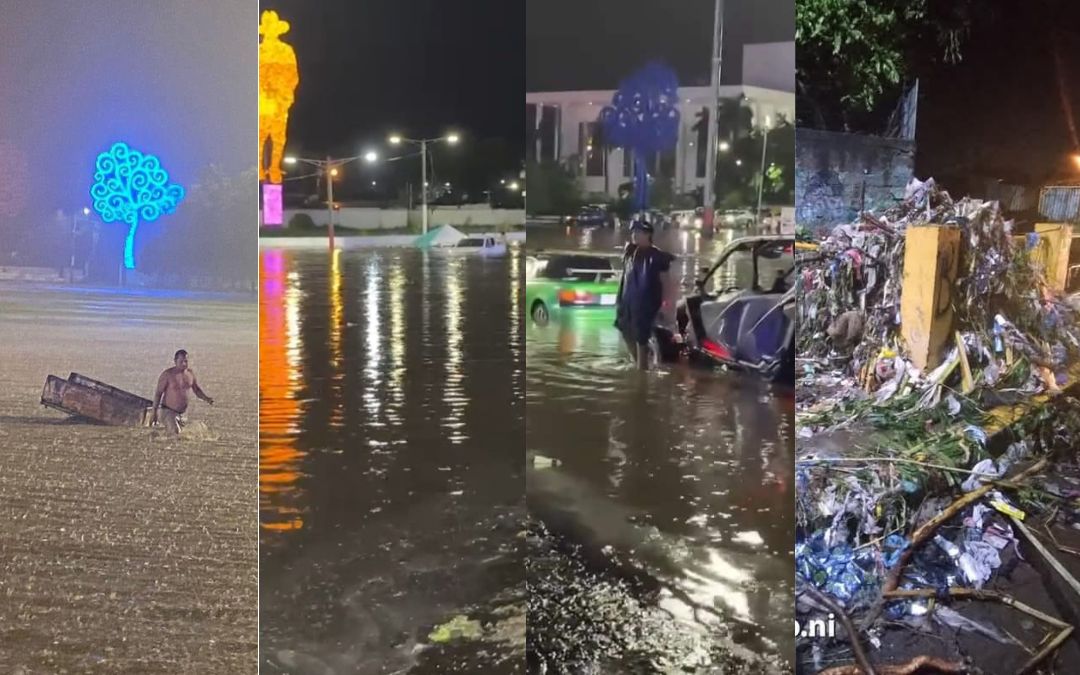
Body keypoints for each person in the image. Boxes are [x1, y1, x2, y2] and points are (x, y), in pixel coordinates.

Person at [614, 220, 677, 370]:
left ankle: (642, 370)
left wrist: (666, 306)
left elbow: (667, 283)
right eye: (633, 232)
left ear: (648, 234)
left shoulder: (658, 257)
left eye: (639, 232)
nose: (634, 235)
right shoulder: (629, 253)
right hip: (627, 301)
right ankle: (638, 364)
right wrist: (619, 299)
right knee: (624, 330)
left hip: (646, 303)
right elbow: (624, 277)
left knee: (641, 338)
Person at [152, 349, 214, 435]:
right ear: (175, 361)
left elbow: (196, 390)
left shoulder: (190, 373)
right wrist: (154, 413)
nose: (184, 364)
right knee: (175, 433)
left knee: (182, 435)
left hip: (182, 413)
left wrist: (206, 398)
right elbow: (158, 394)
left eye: (186, 361)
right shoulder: (167, 374)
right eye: (181, 361)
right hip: (167, 411)